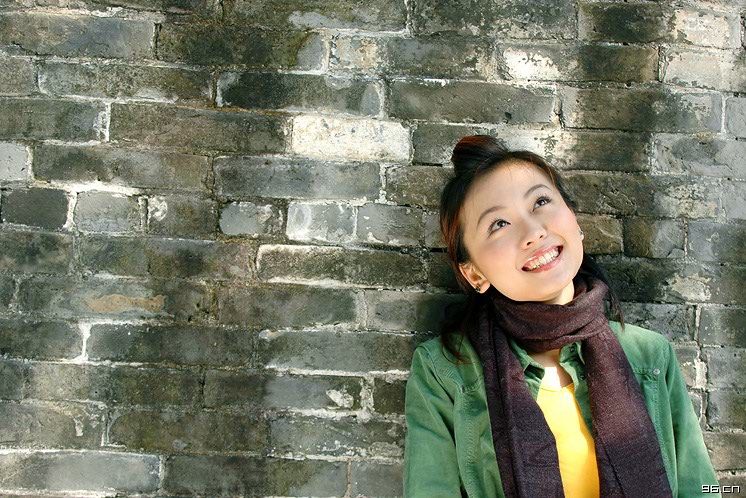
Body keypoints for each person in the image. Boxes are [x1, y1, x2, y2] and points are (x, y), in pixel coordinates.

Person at [403, 135, 720, 497]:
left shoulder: (650, 355)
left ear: (575, 220)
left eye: (540, 202)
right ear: (474, 273)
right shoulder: (444, 370)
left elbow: (704, 487)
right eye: (499, 224)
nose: (533, 232)